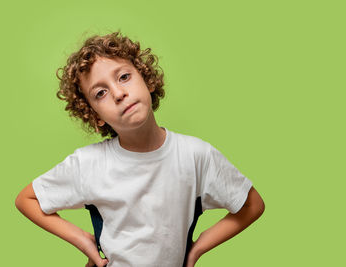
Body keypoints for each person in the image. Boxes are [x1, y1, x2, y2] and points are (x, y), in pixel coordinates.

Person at [15, 31, 265, 267]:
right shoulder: (88, 163)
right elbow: (26, 199)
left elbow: (252, 205)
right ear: (96, 116)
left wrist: (197, 248)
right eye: (101, 93)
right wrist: (83, 240)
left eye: (124, 77)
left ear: (147, 80)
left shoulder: (195, 155)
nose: (119, 93)